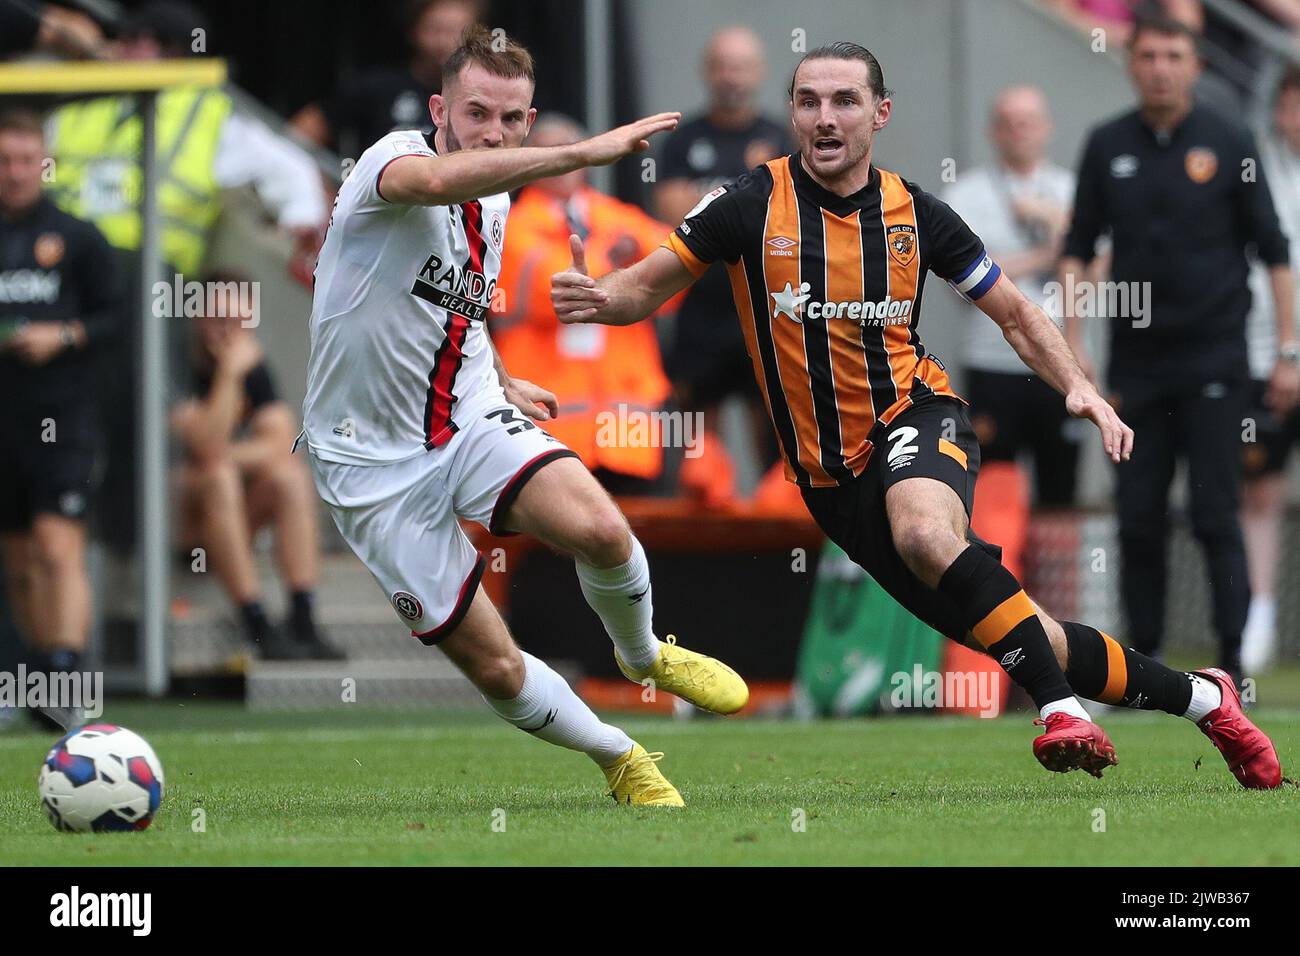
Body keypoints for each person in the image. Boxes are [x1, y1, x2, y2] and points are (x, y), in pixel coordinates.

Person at [552, 41, 1283, 789]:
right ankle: (1204, 698)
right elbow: (641, 290)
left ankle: (1060, 710)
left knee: (929, 533)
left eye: (844, 102)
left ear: (880, 113)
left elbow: (1015, 313)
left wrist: (1079, 386)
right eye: (808, 102)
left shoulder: (917, 214)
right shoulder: (748, 204)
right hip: (831, 484)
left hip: (917, 417)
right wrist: (596, 297)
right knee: (1034, 635)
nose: (825, 118)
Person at [301, 27, 748, 808]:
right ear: (441, 106)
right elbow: (436, 183)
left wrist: (503, 380)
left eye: (513, 120)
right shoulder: (389, 162)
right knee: (498, 666)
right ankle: (620, 756)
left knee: (605, 531)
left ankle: (643, 657)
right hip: (368, 463)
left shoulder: (499, 197)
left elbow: (453, 306)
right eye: (478, 114)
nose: (496, 132)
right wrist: (577, 154)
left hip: (468, 417)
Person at [1059, 16, 1296, 679]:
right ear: (1131, 63)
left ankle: (1228, 666)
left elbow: (1275, 253)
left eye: (1174, 56)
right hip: (1135, 369)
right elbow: (1077, 250)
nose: (1161, 67)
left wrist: (1288, 350)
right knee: (1138, 518)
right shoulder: (1107, 145)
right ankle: (1145, 665)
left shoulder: (1230, 139)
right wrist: (1076, 347)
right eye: (1149, 55)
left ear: (1195, 67)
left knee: (1217, 514)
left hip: (1217, 364)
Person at [0, 110, 124, 730]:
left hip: (64, 416)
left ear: (42, 164)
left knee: (57, 545)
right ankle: (38, 683)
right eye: (5, 161)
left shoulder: (77, 237)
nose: (16, 172)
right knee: (20, 558)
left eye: (26, 160)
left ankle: (67, 675)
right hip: (5, 424)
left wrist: (64, 334)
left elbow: (117, 318)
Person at [492, 113, 681, 495]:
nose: (564, 161)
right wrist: (619, 260)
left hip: (627, 430)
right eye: (552, 151)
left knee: (635, 544)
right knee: (556, 549)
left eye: (572, 150)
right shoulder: (508, 223)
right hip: (547, 425)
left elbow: (674, 265)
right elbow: (556, 287)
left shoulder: (613, 213)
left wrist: (623, 261)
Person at [171, 277, 341, 662]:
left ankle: (302, 618)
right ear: (196, 316)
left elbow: (281, 442)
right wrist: (230, 376)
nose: (229, 331)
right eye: (218, 318)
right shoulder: (175, 362)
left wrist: (225, 454)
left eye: (238, 320)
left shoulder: (251, 365)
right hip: (178, 528)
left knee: (288, 475)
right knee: (216, 477)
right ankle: (255, 623)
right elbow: (204, 445)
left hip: (230, 518)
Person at [653, 26, 791, 496]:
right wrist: (750, 193)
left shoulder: (782, 139)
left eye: (742, 66)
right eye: (723, 65)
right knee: (698, 451)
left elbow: (789, 221)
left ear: (759, 72)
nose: (732, 76)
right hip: (700, 307)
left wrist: (712, 199)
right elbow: (673, 211)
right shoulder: (682, 138)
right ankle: (703, 555)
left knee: (775, 445)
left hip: (765, 308)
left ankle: (776, 550)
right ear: (708, 71)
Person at [942, 87, 1082, 512]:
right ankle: (1002, 579)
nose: (1020, 131)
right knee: (991, 486)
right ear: (993, 131)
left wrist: (1053, 222)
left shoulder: (1069, 189)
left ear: (1048, 128)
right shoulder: (966, 194)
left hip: (1059, 357)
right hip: (992, 360)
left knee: (1060, 489)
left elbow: (1096, 261)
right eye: (1009, 122)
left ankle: (1052, 581)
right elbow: (961, 277)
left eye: (1029, 121)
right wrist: (1049, 253)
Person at [1240, 67, 1300, 674]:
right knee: (1260, 491)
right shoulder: (1254, 170)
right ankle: (1257, 616)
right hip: (1266, 359)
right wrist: (1287, 355)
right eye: (1292, 105)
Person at [291, 0, 479, 156]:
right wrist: (324, 185)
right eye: (436, 30)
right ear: (414, 32)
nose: (446, 42)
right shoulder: (378, 86)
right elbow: (303, 130)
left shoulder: (486, 96)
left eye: (458, 31)